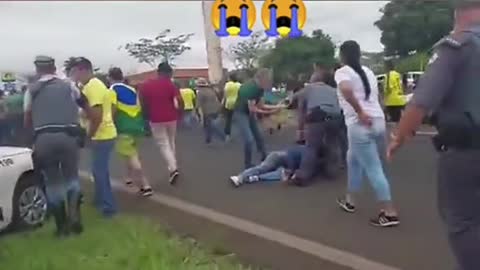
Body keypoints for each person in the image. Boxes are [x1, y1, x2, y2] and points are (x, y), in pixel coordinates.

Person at [387, 2, 480, 268]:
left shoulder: (456, 46)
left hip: (467, 151)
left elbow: (421, 102)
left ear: (457, 14)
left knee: (463, 223)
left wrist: (399, 136)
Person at [334, 41, 400, 228]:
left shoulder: (343, 71)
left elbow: (346, 90)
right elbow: (377, 96)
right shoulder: (368, 71)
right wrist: (379, 114)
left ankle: (389, 212)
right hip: (377, 120)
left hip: (360, 123)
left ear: (343, 55)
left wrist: (360, 111)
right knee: (353, 159)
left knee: (373, 168)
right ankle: (350, 200)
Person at [24, 56, 88, 236]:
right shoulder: (69, 85)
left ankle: (62, 228)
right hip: (68, 136)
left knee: (52, 182)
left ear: (37, 70)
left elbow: (27, 119)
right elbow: (84, 103)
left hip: (44, 139)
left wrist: (32, 136)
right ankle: (75, 216)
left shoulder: (31, 90)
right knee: (72, 177)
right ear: (53, 68)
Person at [69, 57, 118, 217]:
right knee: (97, 171)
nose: (74, 75)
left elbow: (96, 115)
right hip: (103, 133)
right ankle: (99, 200)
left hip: (101, 135)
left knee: (100, 172)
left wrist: (88, 136)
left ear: (84, 70)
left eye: (75, 71)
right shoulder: (92, 85)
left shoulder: (93, 87)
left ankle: (108, 207)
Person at [289, 69, 343, 186]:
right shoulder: (334, 90)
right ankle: (332, 171)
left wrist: (300, 130)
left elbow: (299, 109)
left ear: (314, 79)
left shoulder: (307, 89)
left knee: (311, 146)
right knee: (332, 143)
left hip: (318, 116)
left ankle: (303, 175)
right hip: (335, 117)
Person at [108, 67, 152, 197]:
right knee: (130, 152)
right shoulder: (132, 89)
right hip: (137, 126)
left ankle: (145, 184)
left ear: (110, 78)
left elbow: (113, 110)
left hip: (123, 127)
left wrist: (110, 123)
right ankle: (128, 178)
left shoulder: (112, 90)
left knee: (132, 156)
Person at [140, 62, 184, 184]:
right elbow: (179, 100)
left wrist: (145, 118)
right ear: (168, 73)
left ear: (158, 72)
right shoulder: (171, 84)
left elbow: (143, 103)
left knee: (163, 144)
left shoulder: (146, 85)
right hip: (171, 117)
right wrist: (180, 114)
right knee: (171, 142)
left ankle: (173, 168)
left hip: (155, 119)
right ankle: (173, 166)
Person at [234, 68, 281, 169]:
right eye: (269, 80)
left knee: (259, 136)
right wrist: (271, 112)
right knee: (249, 139)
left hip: (248, 112)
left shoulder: (260, 88)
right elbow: (253, 109)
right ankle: (248, 164)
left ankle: (265, 156)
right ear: (262, 79)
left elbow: (261, 105)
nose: (270, 83)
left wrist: (278, 107)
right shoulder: (249, 88)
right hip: (241, 113)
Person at [229, 145, 306, 187]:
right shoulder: (303, 150)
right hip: (277, 157)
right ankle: (239, 177)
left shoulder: (308, 153)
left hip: (283, 164)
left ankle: (257, 177)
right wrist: (290, 170)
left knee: (280, 174)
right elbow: (290, 154)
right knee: (263, 168)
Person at [196, 77, 226, 145]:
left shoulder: (200, 92)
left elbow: (198, 105)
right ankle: (208, 139)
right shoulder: (211, 90)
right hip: (216, 109)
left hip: (207, 111)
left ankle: (222, 136)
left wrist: (200, 116)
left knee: (211, 126)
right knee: (209, 125)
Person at [223, 74, 241, 140]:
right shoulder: (239, 85)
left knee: (228, 119)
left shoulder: (227, 84)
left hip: (229, 103)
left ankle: (227, 135)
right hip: (237, 103)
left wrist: (223, 102)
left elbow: (225, 95)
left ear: (230, 78)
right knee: (240, 118)